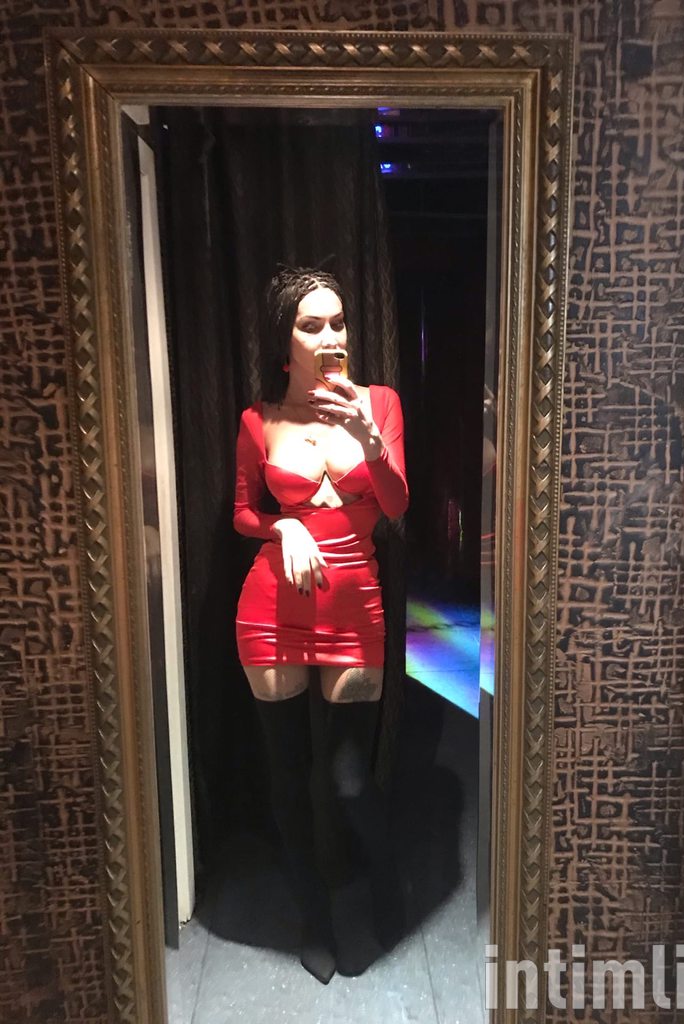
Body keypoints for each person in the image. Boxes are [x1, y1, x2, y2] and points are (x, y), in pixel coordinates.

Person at [232, 265, 409, 983]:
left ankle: (385, 879)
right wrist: (283, 528)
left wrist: (370, 438)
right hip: (271, 607)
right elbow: (243, 512)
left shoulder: (380, 403)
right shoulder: (259, 420)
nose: (331, 335)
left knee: (345, 779)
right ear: (286, 342)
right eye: (312, 325)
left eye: (338, 322)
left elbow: (395, 505)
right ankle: (315, 917)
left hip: (354, 605)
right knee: (285, 773)